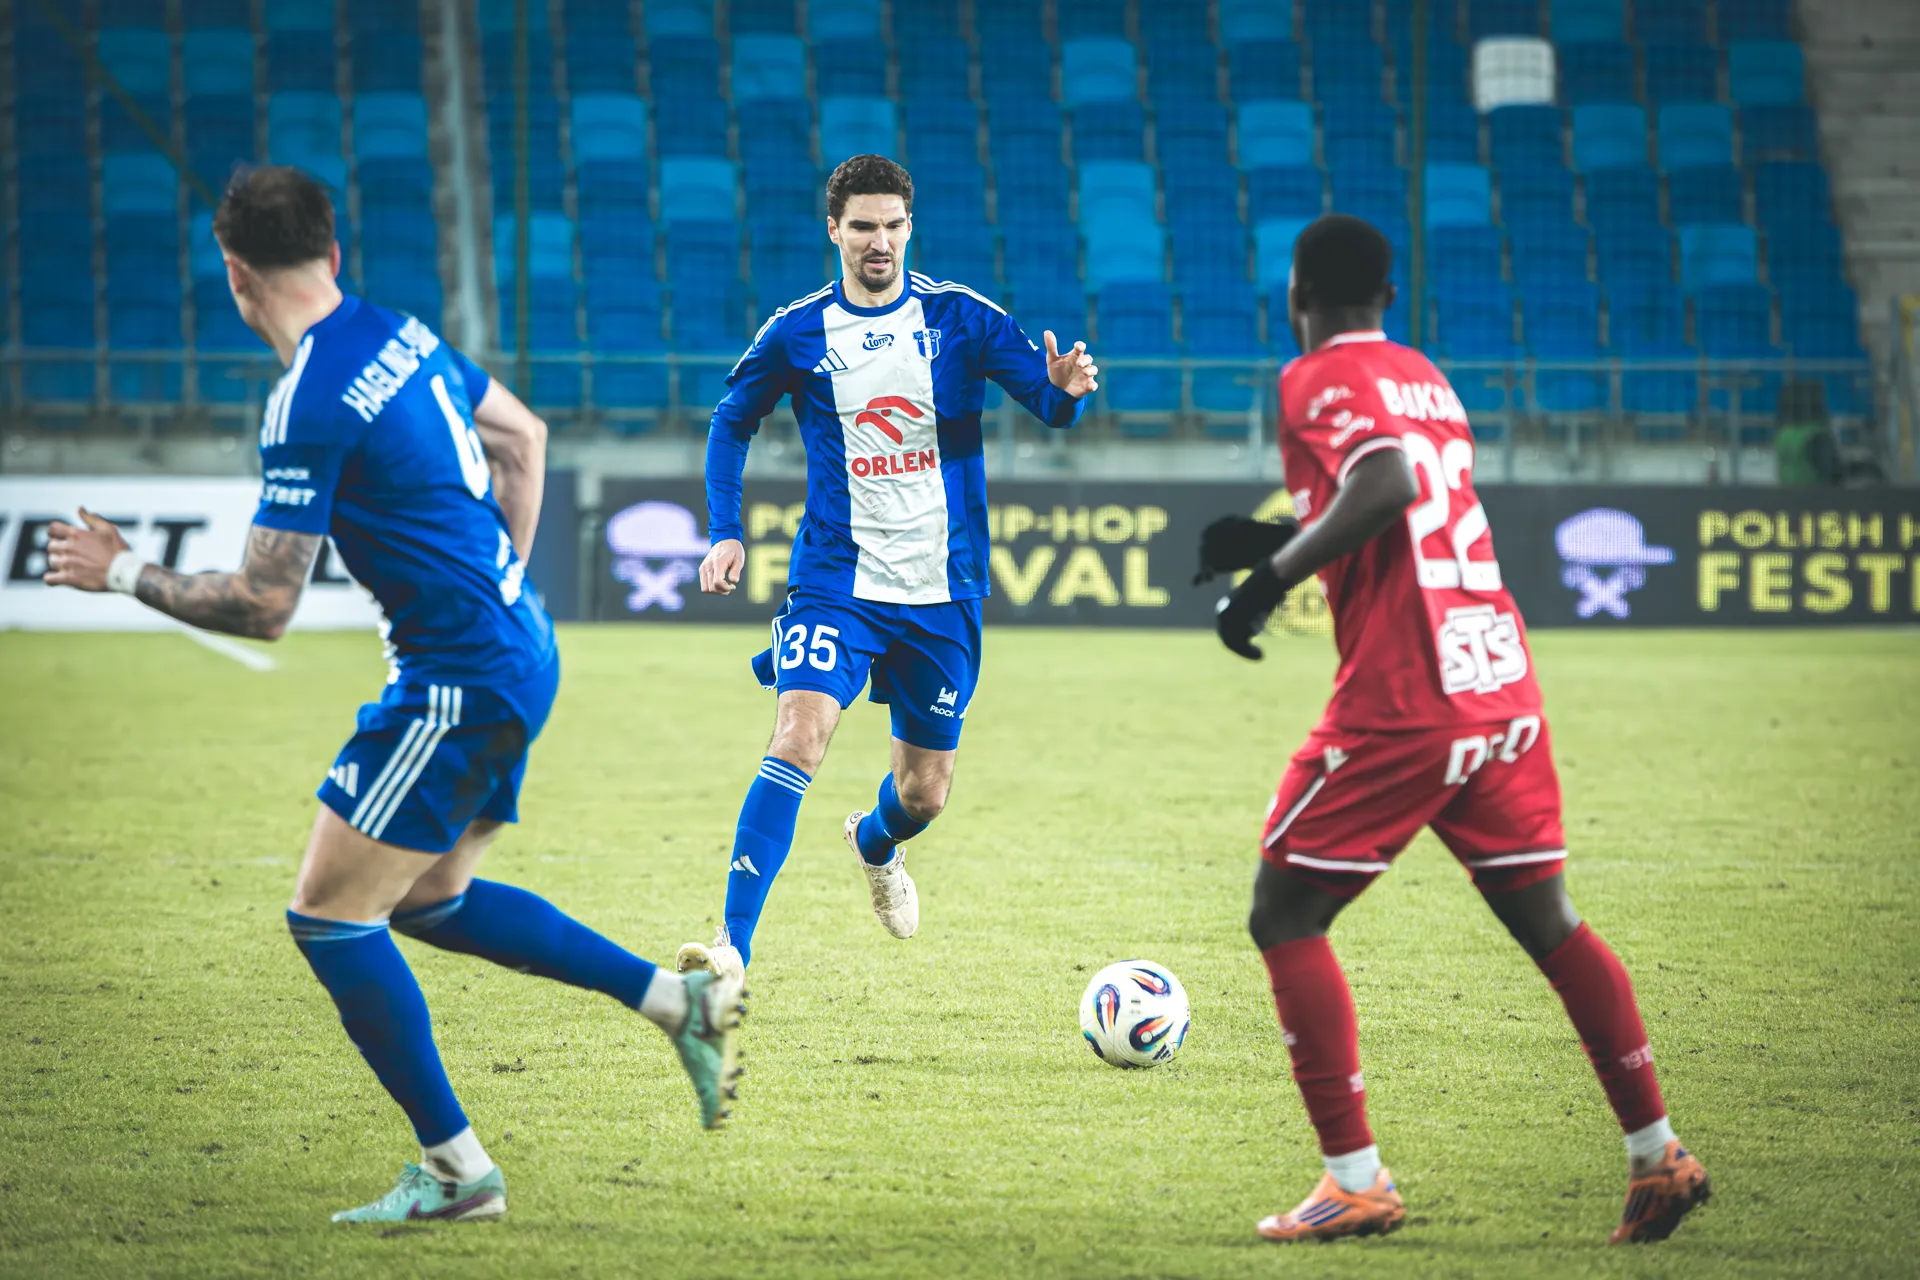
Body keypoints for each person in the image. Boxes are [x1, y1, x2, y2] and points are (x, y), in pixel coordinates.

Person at [42, 166, 743, 1224]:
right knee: (427, 898)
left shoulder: (307, 399)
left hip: (459, 676)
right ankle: (676, 1002)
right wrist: (502, 586)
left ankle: (459, 1172)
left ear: (235, 274)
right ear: (332, 254)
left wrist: (125, 571)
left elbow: (265, 603)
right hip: (520, 647)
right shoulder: (404, 335)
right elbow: (525, 439)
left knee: (328, 915)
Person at [1200, 215, 1710, 1246]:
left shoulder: (1313, 375)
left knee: (1284, 911)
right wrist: (1277, 536)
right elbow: (1408, 498)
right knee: (1551, 922)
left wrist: (1267, 579)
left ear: (1298, 296)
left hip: (1408, 693)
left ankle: (1355, 1181)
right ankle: (1658, 1153)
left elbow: (1386, 484)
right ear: (1388, 296)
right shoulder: (1426, 376)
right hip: (1498, 682)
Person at [676, 155, 1099, 981]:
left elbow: (1048, 406)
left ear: (911, 227)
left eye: (893, 226)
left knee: (923, 794)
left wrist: (1067, 389)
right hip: (837, 579)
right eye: (863, 226)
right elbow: (731, 422)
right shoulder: (797, 330)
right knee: (799, 734)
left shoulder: (960, 317)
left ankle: (874, 844)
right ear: (834, 230)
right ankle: (731, 948)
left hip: (943, 589)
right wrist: (725, 531)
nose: (880, 241)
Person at [1774, 378, 1842, 486]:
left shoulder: (1784, 433)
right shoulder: (1817, 436)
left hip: (1787, 493)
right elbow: (1834, 475)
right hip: (1815, 493)